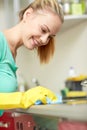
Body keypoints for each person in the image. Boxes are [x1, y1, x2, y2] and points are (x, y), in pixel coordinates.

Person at [0, 0, 64, 115]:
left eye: (50, 37)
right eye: (43, 30)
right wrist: (23, 98)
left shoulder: (12, 52)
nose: (44, 40)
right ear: (27, 15)